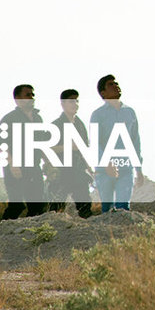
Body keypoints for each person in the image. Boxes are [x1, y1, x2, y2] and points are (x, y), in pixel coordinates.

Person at [90, 74, 143, 212]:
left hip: (126, 168)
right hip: (104, 170)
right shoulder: (98, 115)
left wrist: (139, 170)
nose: (116, 86)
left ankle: (122, 233)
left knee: (123, 208)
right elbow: (95, 142)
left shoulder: (130, 112)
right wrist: (106, 162)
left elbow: (135, 142)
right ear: (103, 93)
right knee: (106, 209)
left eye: (116, 83)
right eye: (111, 85)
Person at [0, 84, 47, 219]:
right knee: (17, 204)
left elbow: (42, 143)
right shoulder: (9, 119)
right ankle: (3, 231)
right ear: (17, 98)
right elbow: (2, 144)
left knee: (37, 205)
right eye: (27, 95)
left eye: (32, 94)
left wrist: (48, 163)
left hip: (34, 167)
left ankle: (33, 233)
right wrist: (12, 165)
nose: (31, 97)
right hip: (16, 167)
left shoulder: (38, 118)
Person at [49, 89, 93, 218]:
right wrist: (67, 147)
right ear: (63, 104)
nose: (75, 104)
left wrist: (90, 169)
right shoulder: (56, 125)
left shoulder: (80, 125)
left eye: (77, 101)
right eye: (71, 101)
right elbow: (47, 149)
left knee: (84, 205)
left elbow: (83, 149)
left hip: (78, 170)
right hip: (61, 171)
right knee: (55, 208)